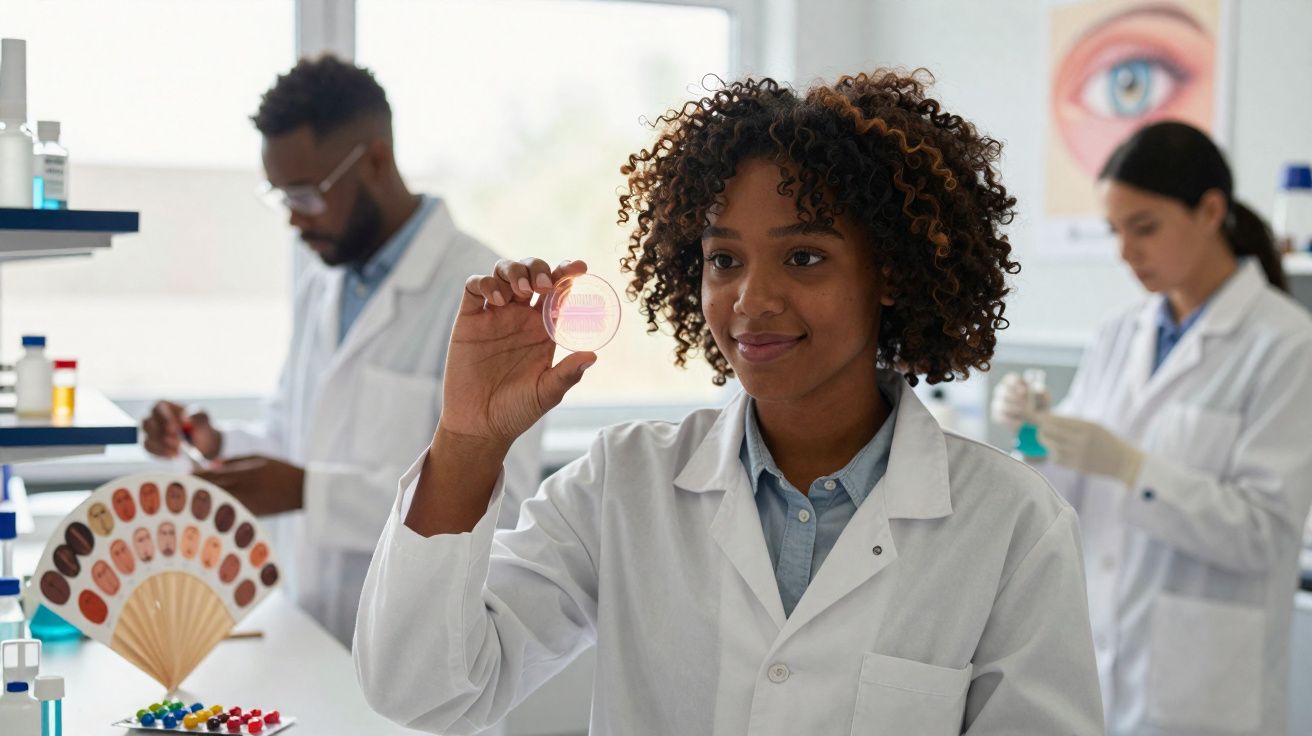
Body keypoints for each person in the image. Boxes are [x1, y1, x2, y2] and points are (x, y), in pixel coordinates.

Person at [353, 70, 1104, 735]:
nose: (751, 299)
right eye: (724, 259)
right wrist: (468, 439)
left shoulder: (1010, 525)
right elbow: (427, 695)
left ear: (891, 275)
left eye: (804, 257)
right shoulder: (625, 482)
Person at [139, 56, 543, 646]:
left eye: (304, 195)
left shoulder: (488, 296)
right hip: (311, 631)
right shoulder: (321, 283)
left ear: (375, 161)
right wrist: (216, 442)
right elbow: (296, 436)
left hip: (424, 654)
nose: (294, 223)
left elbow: (499, 505)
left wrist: (307, 491)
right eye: (281, 198)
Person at [993, 121, 1312, 736]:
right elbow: (1066, 500)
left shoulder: (1287, 345)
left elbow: (1265, 534)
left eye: (1145, 227)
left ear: (1210, 210)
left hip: (1205, 690)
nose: (1126, 252)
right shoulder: (1119, 333)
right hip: (1099, 659)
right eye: (1115, 231)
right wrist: (1036, 431)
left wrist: (1132, 468)